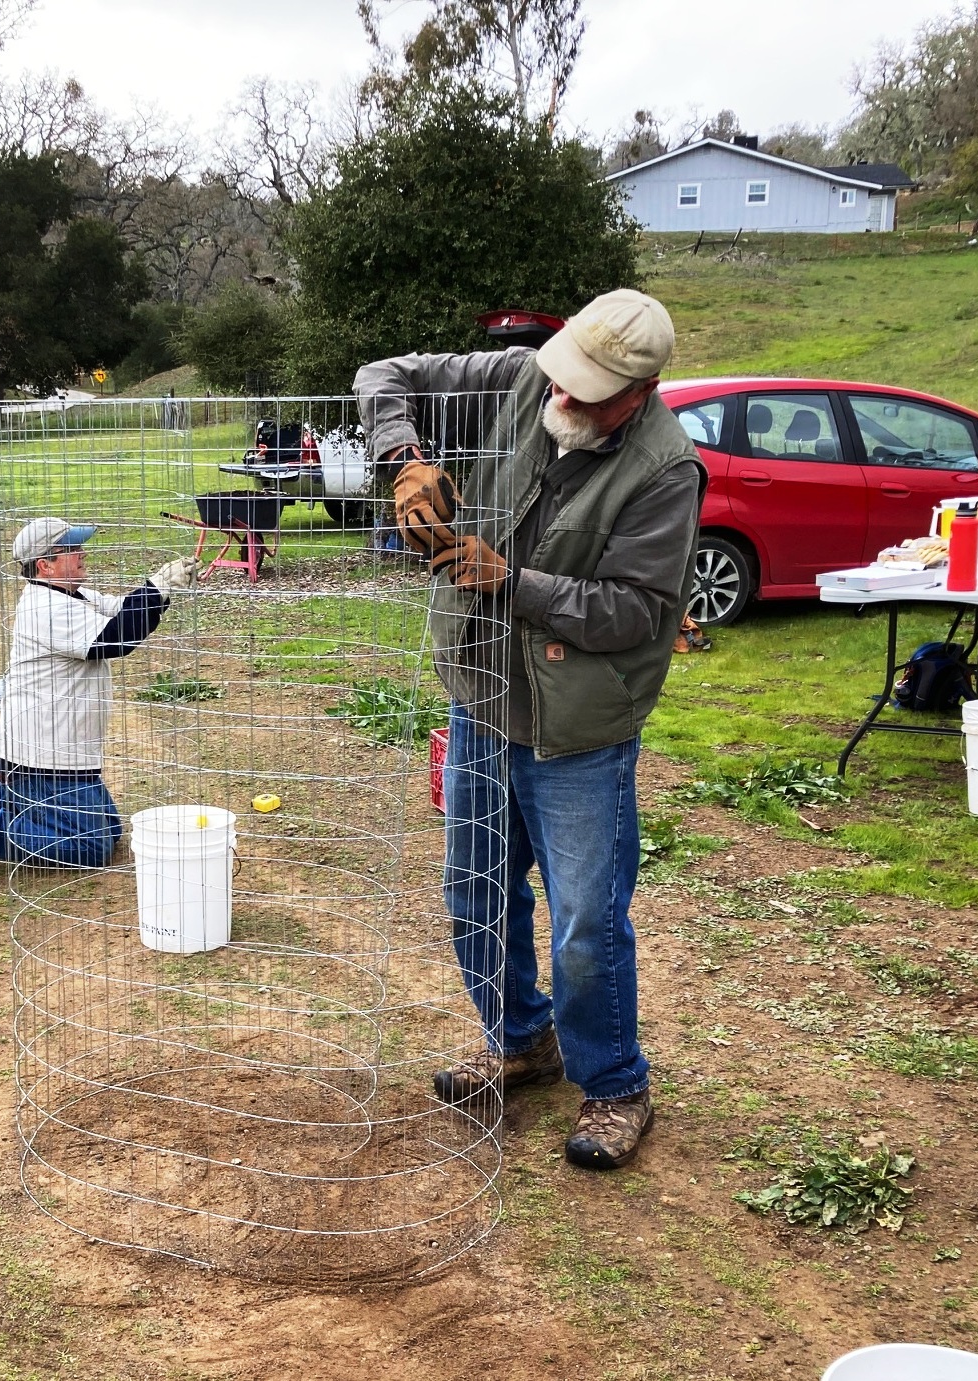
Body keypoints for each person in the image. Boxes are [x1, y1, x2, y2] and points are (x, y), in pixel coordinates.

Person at [353, 288, 705, 1171]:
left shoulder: (665, 469)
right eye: (563, 380)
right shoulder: (525, 379)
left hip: (578, 727)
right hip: (482, 699)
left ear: (641, 391)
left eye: (590, 393)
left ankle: (616, 1082)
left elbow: (636, 612)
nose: (565, 402)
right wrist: (402, 457)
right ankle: (520, 1040)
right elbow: (382, 373)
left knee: (586, 918)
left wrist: (513, 582)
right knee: (475, 889)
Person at [0, 517, 200, 873]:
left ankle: (5, 798)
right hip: (42, 755)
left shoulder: (70, 594)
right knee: (89, 849)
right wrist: (156, 587)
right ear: (45, 565)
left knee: (110, 832)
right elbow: (116, 638)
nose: (82, 554)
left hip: (63, 750)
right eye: (71, 549)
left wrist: (162, 587)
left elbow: (120, 610)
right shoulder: (45, 609)